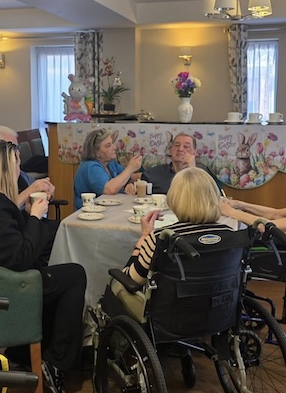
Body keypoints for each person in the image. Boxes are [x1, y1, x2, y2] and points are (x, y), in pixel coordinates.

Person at [0, 140, 86, 393]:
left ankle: (25, 352)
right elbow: (19, 259)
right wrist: (35, 216)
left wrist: (27, 215)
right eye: (17, 163)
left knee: (54, 271)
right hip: (0, 291)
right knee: (74, 275)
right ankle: (57, 362)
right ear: (5, 168)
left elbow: (5, 241)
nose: (19, 169)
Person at [106, 167, 241, 321]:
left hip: (171, 317)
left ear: (174, 199)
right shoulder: (231, 234)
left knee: (117, 283)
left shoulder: (161, 238)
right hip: (219, 313)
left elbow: (132, 280)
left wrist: (144, 236)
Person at [0, 125, 55, 209]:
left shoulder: (21, 175)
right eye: (12, 148)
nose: (18, 152)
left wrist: (45, 192)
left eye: (17, 147)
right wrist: (29, 191)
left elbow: (36, 190)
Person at [72, 128, 142, 208]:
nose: (114, 147)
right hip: (89, 213)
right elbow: (110, 189)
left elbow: (129, 177)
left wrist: (149, 175)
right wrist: (130, 168)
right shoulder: (90, 167)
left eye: (112, 143)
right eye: (108, 146)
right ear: (96, 152)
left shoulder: (110, 163)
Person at [142, 132, 222, 194]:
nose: (180, 149)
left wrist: (192, 169)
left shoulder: (202, 172)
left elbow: (210, 196)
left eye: (186, 146)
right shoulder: (158, 171)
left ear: (194, 153)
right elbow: (139, 181)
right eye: (177, 145)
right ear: (170, 150)